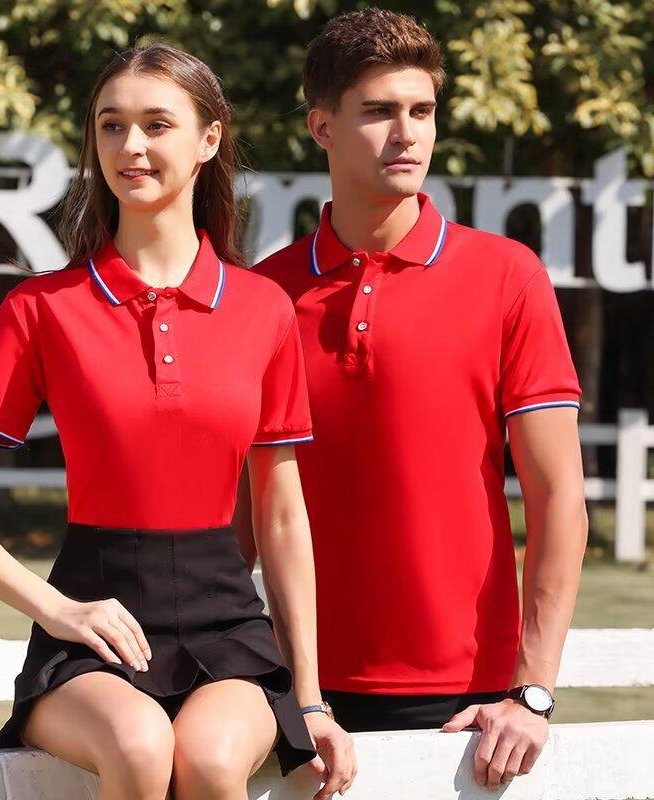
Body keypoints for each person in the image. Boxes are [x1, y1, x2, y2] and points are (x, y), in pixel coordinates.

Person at [0, 43, 355, 800]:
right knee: (140, 746)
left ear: (209, 140)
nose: (130, 146)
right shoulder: (41, 309)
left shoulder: (263, 309)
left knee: (210, 760)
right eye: (111, 126)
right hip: (88, 630)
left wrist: (309, 699)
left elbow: (280, 518)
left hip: (228, 628)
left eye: (156, 124)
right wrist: (57, 609)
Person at [247, 8, 588, 792]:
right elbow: (240, 512)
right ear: (322, 126)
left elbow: (559, 496)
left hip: (468, 700)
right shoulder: (263, 295)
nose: (408, 134)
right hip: (296, 689)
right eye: (379, 111)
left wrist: (531, 692)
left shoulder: (507, 277)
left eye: (422, 110)